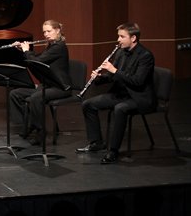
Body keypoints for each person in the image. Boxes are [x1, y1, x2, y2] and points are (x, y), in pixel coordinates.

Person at [76, 22, 155, 164]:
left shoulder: (145, 56)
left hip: (138, 97)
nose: (118, 40)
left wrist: (114, 71)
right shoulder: (120, 52)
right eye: (118, 36)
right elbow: (113, 76)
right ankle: (96, 142)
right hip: (121, 94)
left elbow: (137, 81)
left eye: (122, 36)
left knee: (120, 109)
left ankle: (113, 151)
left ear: (133, 38)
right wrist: (99, 78)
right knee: (88, 104)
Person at [9, 19, 72, 145]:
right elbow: (36, 58)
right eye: (44, 32)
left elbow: (38, 61)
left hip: (60, 87)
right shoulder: (51, 46)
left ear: (58, 30)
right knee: (15, 94)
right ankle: (29, 123)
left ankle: (40, 132)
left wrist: (27, 51)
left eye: (49, 31)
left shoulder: (59, 47)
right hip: (48, 85)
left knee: (35, 98)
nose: (46, 34)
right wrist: (22, 50)